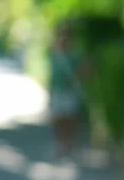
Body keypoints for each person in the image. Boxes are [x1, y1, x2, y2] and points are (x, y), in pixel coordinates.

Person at [48, 22, 90, 158]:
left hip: (69, 90)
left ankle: (70, 144)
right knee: (58, 118)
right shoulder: (55, 53)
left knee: (71, 118)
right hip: (58, 90)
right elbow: (53, 74)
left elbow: (83, 71)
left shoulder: (75, 54)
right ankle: (62, 144)